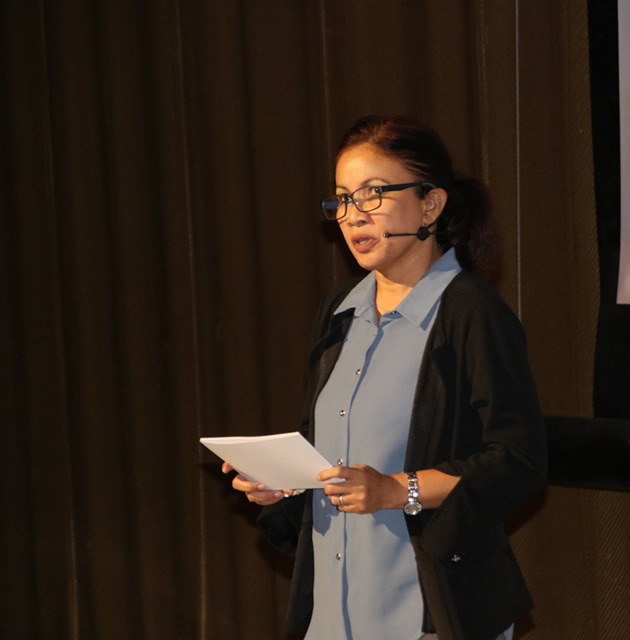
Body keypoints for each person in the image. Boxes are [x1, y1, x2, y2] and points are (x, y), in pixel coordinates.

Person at [223, 115, 548, 639]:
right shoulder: (339, 310)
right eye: (342, 200)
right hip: (331, 608)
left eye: (373, 194)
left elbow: (519, 460)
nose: (353, 216)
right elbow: (328, 444)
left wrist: (399, 489)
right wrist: (284, 481)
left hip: (429, 610)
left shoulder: (471, 314)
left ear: (430, 204)